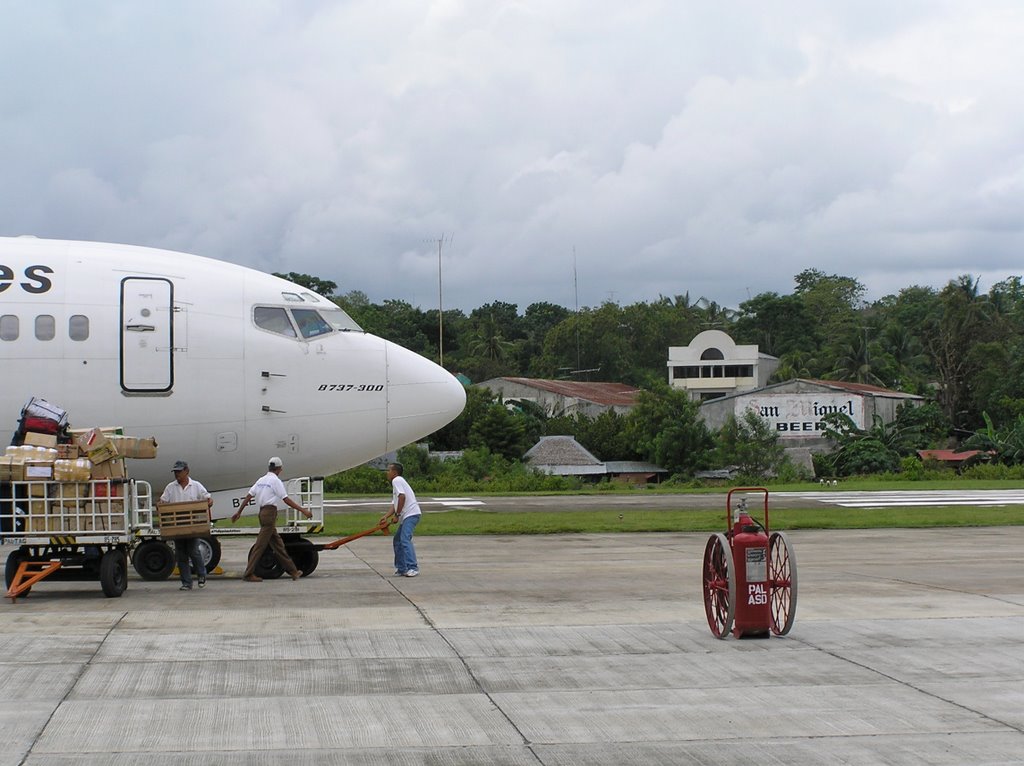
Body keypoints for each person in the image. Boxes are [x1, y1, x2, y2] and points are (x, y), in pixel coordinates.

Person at [231, 456, 312, 582]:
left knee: (279, 545)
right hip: (269, 515)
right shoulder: (275, 481)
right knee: (260, 546)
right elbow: (286, 499)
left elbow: (248, 496)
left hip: (263, 513)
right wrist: (303, 510)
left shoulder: (261, 480)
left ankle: (293, 571)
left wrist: (239, 512)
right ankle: (248, 574)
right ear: (279, 469)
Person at [160, 459, 213, 591]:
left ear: (186, 471)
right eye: (175, 472)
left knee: (193, 551)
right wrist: (160, 505)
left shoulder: (196, 486)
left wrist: (209, 501)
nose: (177, 474)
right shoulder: (170, 487)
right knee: (181, 555)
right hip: (177, 525)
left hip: (192, 524)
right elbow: (163, 501)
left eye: (179, 471)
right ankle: (186, 582)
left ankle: (201, 575)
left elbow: (207, 498)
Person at [386, 462, 421, 577]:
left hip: (411, 514)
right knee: (397, 540)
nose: (387, 472)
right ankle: (401, 568)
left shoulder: (397, 480)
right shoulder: (398, 482)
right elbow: (395, 503)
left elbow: (402, 497)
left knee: (404, 539)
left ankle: (413, 567)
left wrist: (397, 515)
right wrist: (386, 516)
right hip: (408, 515)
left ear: (395, 472)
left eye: (389, 470)